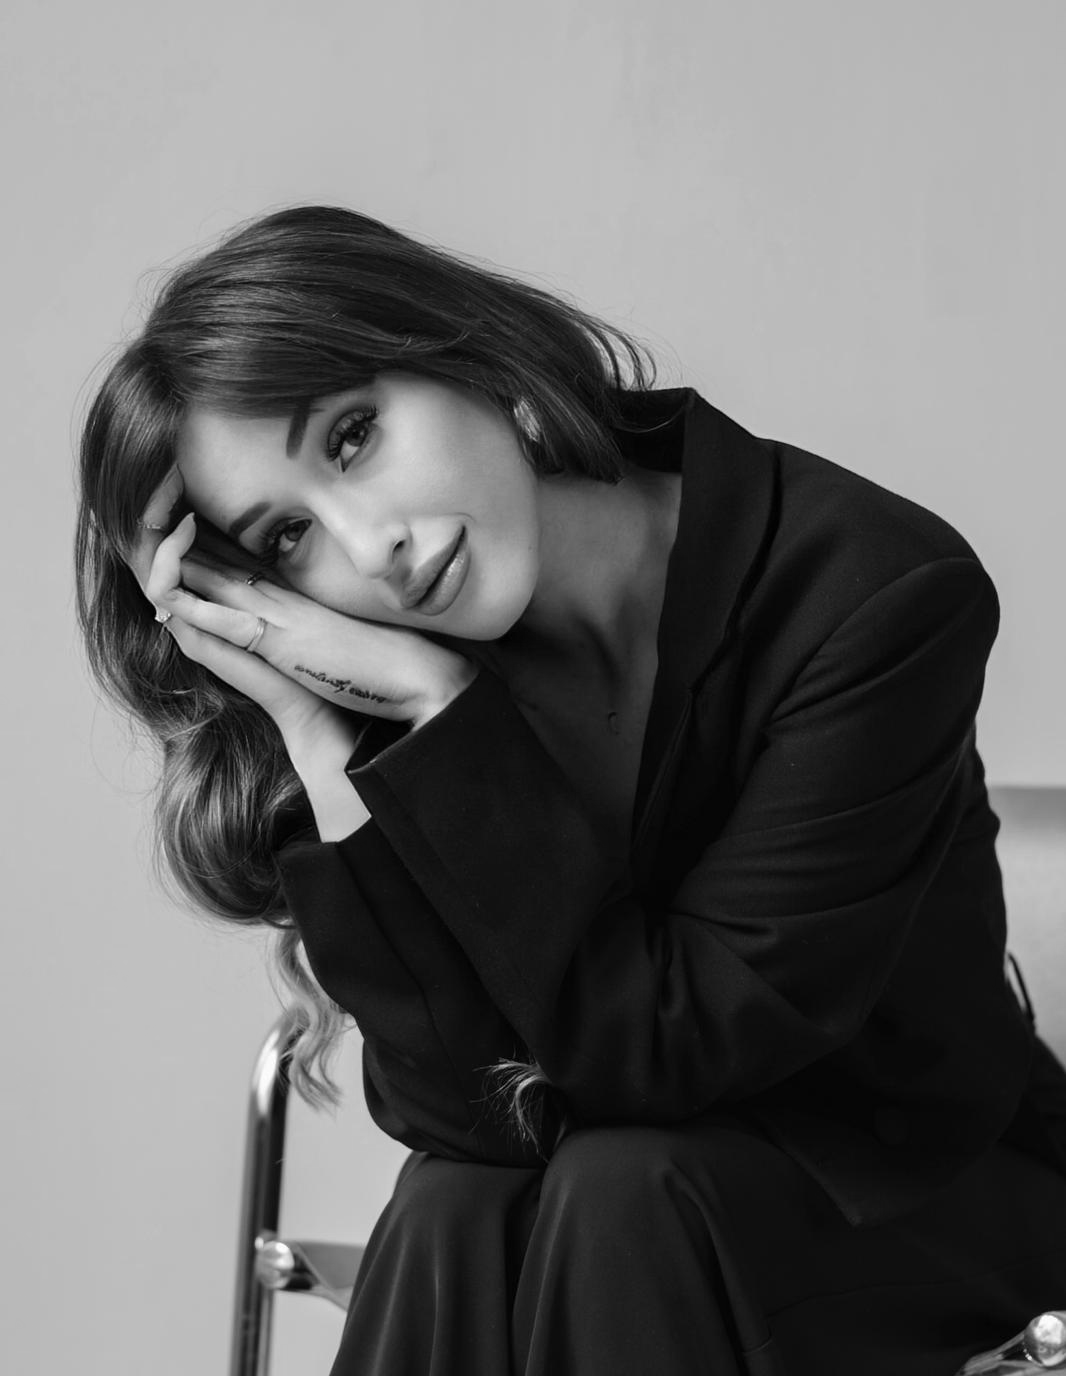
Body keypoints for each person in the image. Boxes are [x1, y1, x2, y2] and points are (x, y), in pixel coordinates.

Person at [76, 205, 1066, 1376]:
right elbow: (459, 1117)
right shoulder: (388, 671)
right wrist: (318, 733)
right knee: (451, 1206)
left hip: (924, 1196)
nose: (371, 544)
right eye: (288, 539)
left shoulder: (869, 592)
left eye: (353, 437)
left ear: (460, 348)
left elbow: (674, 1045)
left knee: (620, 1185)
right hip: (640, 1226)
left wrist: (450, 718)